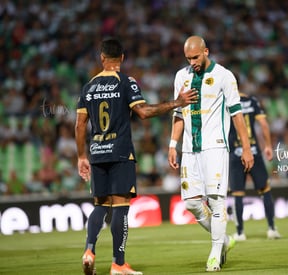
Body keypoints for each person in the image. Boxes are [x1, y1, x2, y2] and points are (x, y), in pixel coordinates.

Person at [75, 37, 197, 275]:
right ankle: (118, 264)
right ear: (121, 58)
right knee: (120, 207)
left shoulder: (88, 87)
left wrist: (81, 156)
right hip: (120, 152)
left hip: (97, 153)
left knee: (100, 205)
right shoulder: (125, 82)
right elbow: (143, 112)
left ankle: (89, 250)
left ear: (102, 58)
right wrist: (177, 102)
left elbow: (80, 125)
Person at [168, 35, 254, 272]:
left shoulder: (224, 76)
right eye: (188, 58)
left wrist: (246, 148)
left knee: (216, 201)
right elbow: (177, 114)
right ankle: (224, 240)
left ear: (206, 51)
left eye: (195, 57)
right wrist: (172, 145)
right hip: (189, 149)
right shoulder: (180, 77)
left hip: (215, 146)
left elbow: (237, 114)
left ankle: (215, 253)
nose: (192, 62)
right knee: (192, 204)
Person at [228, 92, 281, 241]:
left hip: (235, 153)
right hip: (254, 151)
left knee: (238, 193)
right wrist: (268, 146)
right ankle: (272, 229)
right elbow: (264, 124)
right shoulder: (251, 101)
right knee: (265, 190)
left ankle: (240, 233)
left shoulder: (226, 101)